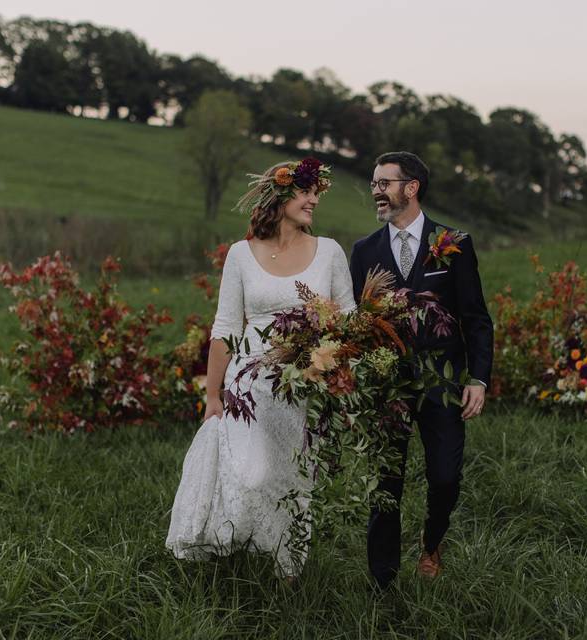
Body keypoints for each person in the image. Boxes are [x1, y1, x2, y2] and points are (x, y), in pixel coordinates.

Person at [165, 158, 355, 578]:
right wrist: (212, 395)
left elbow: (348, 317)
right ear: (280, 195)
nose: (313, 201)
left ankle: (285, 570)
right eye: (305, 192)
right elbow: (226, 327)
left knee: (291, 477)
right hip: (248, 385)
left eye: (316, 194)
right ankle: (238, 546)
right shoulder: (241, 255)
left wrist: (328, 358)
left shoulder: (330, 252)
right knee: (252, 474)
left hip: (305, 383)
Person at [349, 151, 494, 588]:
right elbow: (356, 322)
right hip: (386, 384)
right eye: (374, 183)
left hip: (444, 382)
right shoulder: (364, 251)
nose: (376, 190)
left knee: (446, 476)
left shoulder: (453, 244)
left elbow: (476, 317)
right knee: (385, 482)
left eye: (384, 183)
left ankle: (432, 542)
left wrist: (479, 378)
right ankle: (382, 577)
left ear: (411, 188)